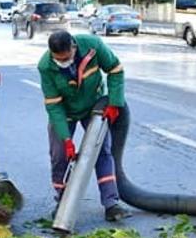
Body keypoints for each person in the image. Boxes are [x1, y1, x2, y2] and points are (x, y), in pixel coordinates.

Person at [38, 30, 129, 222]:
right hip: (64, 111)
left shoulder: (92, 46)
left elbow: (115, 69)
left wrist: (114, 103)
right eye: (58, 59)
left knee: (101, 151)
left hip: (93, 105)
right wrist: (67, 139)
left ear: (73, 46)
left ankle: (111, 203)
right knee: (59, 155)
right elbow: (54, 105)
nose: (63, 62)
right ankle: (62, 203)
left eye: (67, 58)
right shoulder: (46, 66)